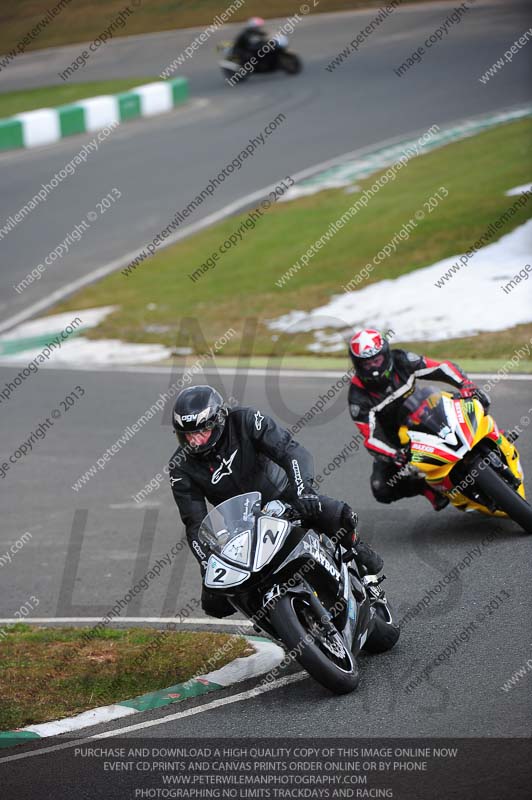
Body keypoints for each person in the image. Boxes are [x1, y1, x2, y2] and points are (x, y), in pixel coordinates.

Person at [170, 385, 383, 617]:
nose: (195, 441)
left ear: (218, 421)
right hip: (240, 526)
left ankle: (363, 568)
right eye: (188, 435)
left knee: (337, 514)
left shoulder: (246, 420)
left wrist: (304, 491)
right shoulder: (180, 467)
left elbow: (291, 452)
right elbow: (194, 523)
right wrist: (206, 560)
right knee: (214, 603)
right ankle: (273, 622)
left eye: (202, 432)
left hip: (285, 497)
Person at [347, 328, 490, 509]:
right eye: (367, 365)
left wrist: (465, 384)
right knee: (381, 488)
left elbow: (440, 368)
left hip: (426, 411)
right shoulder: (357, 397)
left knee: (475, 400)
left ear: (385, 355)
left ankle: (492, 435)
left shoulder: (401, 360)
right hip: (399, 443)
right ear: (358, 365)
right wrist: (394, 454)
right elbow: (371, 437)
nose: (374, 368)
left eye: (377, 360)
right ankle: (427, 488)